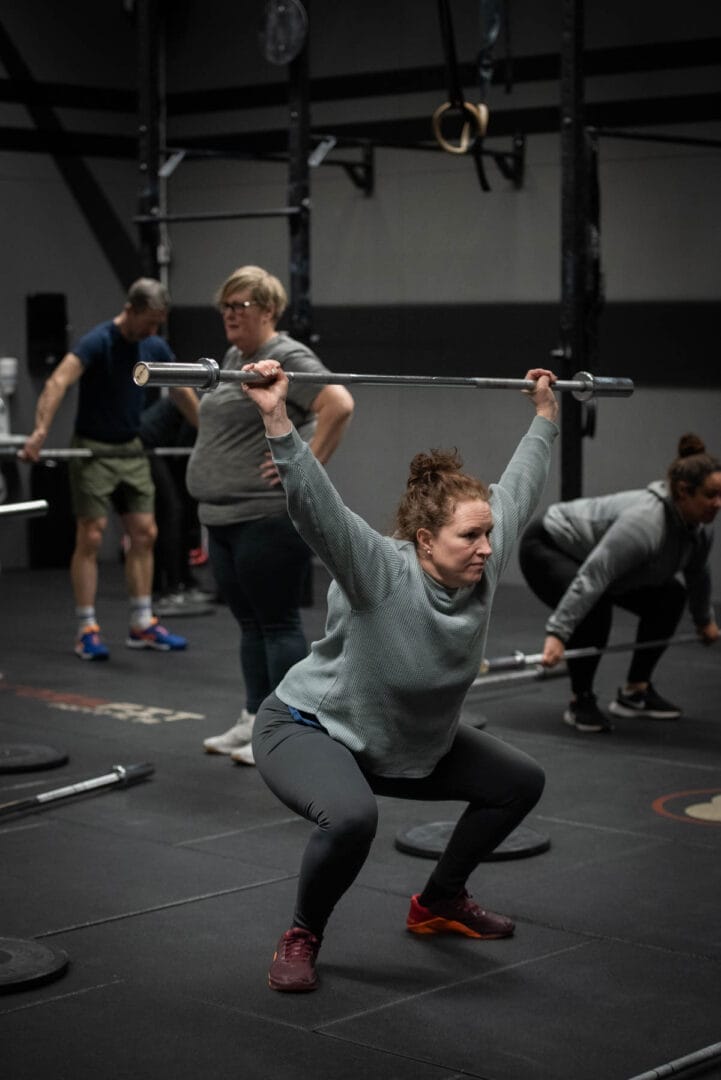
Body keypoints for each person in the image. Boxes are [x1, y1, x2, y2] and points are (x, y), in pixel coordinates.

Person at [238, 357, 559, 993]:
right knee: (352, 818)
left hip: (406, 741)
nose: (488, 549)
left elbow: (520, 484)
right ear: (422, 540)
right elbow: (316, 507)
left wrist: (546, 414)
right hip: (311, 727)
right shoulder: (380, 571)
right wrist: (275, 413)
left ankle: (440, 901)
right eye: (470, 537)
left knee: (519, 782)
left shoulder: (482, 564)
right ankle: (302, 933)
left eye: (488, 534)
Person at [186, 266, 354, 765]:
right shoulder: (238, 358)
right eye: (225, 307)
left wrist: (304, 463)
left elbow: (338, 404)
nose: (230, 316)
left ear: (269, 310)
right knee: (249, 624)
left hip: (265, 517)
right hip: (222, 516)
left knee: (277, 624)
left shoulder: (285, 355)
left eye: (241, 306)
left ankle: (288, 729)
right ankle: (254, 717)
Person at [21, 278, 200, 661]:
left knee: (145, 532)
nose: (153, 332)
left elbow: (183, 391)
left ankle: (142, 623)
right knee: (92, 534)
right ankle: (87, 628)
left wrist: (209, 433)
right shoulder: (97, 341)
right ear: (130, 309)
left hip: (130, 448)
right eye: (148, 322)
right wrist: (39, 432)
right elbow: (58, 383)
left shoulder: (153, 345)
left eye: (158, 324)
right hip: (93, 449)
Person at [518, 433, 721, 734]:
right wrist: (558, 633)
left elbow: (697, 575)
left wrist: (704, 620)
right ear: (683, 491)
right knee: (595, 608)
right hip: (548, 544)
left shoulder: (700, 529)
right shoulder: (645, 524)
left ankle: (635, 693)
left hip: (606, 565)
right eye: (710, 495)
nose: (718, 504)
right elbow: (594, 576)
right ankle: (581, 700)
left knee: (671, 597)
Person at [138, 394, 215, 617]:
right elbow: (186, 447)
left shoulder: (202, 405)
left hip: (160, 451)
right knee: (171, 514)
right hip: (145, 449)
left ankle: (183, 582)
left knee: (177, 514)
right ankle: (172, 589)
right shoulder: (199, 407)